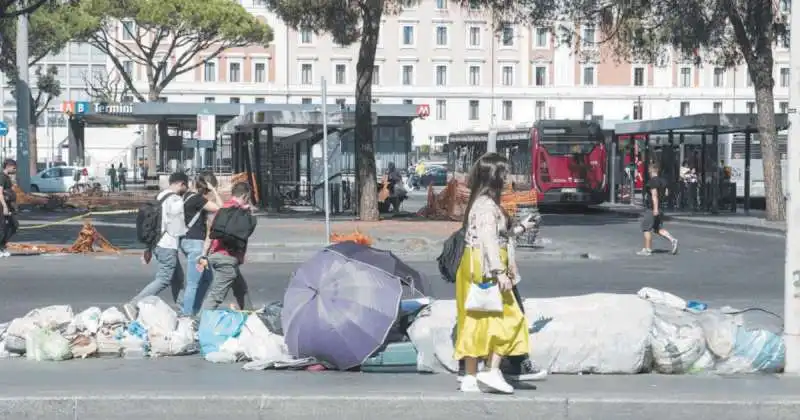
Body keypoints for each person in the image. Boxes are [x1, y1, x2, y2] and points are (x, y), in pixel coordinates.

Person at [454, 152, 534, 394]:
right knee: (511, 316)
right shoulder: (488, 206)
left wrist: (519, 228)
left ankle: (470, 376)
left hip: (472, 264)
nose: (508, 177)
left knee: (475, 318)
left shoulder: (478, 202)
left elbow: (488, 235)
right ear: (495, 176)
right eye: (505, 173)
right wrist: (500, 272)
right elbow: (489, 240)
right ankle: (492, 370)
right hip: (487, 266)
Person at [123, 172, 190, 320]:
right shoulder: (175, 199)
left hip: (157, 244)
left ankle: (184, 311)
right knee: (165, 278)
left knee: (177, 278)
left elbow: (153, 224)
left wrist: (148, 248)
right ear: (181, 184)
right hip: (168, 244)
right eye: (186, 185)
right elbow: (177, 228)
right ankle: (134, 304)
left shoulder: (160, 197)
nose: (186, 188)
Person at [198, 182, 254, 312]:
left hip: (216, 255)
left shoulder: (222, 210)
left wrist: (204, 255)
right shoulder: (242, 212)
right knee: (216, 296)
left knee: (241, 289)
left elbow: (210, 234)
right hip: (228, 259)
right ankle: (198, 322)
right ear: (245, 196)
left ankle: (250, 316)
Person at [178, 172, 222, 316]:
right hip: (195, 244)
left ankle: (194, 309)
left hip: (185, 240)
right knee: (193, 283)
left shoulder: (185, 197)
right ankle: (187, 314)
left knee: (207, 277)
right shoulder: (197, 199)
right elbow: (220, 208)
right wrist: (215, 191)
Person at [638, 164, 679, 256]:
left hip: (652, 208)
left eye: (649, 171)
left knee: (646, 228)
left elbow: (654, 195)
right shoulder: (663, 181)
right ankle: (673, 240)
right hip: (660, 207)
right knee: (657, 229)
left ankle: (647, 250)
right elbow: (667, 193)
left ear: (651, 171)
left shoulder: (652, 181)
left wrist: (655, 209)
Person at [0, 159, 18, 258]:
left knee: (14, 225)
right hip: (2, 206)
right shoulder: (2, 177)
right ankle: (1, 247)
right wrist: (5, 207)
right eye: (14, 168)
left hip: (9, 205)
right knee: (3, 228)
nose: (15, 170)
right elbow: (0, 193)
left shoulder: (7, 177)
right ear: (8, 166)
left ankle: (2, 246)